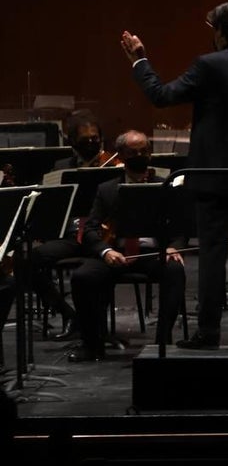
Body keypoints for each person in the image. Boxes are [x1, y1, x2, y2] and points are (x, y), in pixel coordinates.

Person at [120, 0, 228, 350]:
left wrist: (139, 60)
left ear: (220, 32)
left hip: (215, 178)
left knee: (213, 253)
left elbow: (161, 95)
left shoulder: (208, 65)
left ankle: (209, 332)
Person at [65, 130, 188, 362]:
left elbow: (181, 226)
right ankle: (92, 344)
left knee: (175, 271)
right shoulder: (106, 189)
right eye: (133, 152)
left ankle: (163, 342)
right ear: (121, 155)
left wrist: (174, 246)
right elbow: (89, 229)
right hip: (116, 252)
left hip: (152, 252)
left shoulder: (164, 187)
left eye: (144, 151)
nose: (140, 155)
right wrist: (106, 251)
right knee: (82, 277)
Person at [28, 110, 118, 341]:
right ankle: (68, 315)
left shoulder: (113, 165)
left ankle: (98, 327)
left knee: (98, 270)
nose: (91, 143)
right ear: (71, 141)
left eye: (94, 138)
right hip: (71, 236)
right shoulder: (61, 167)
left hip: (103, 236)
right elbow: (46, 202)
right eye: (84, 139)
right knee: (28, 261)